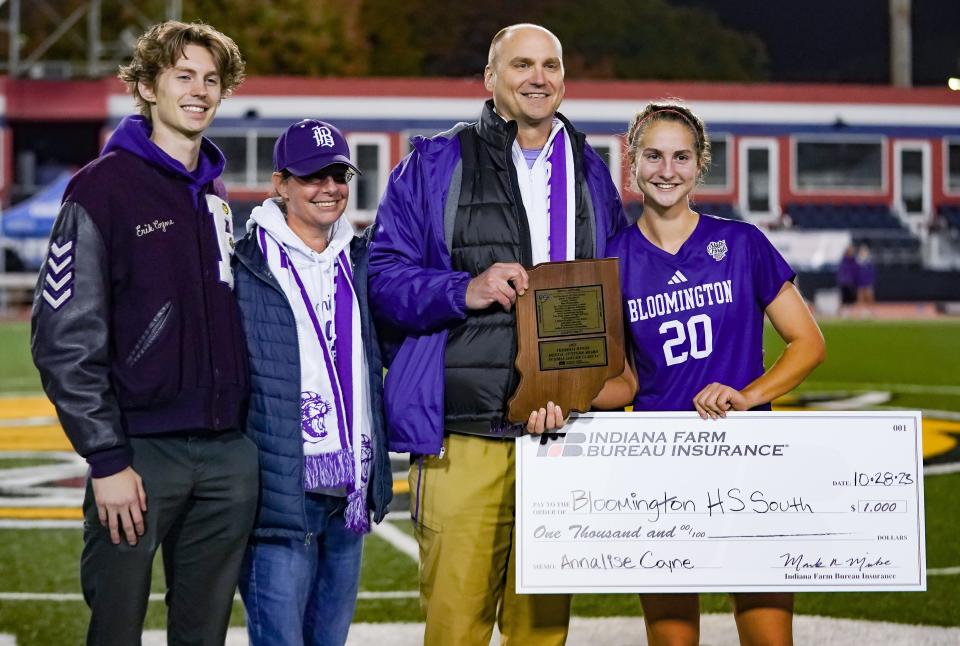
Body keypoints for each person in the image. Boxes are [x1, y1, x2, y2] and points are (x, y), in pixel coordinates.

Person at [368, 23, 632, 646]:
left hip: (563, 434)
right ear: (490, 79)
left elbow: (616, 293)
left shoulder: (591, 171)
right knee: (456, 628)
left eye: (550, 66)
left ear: (564, 80)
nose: (537, 77)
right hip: (467, 433)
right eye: (521, 65)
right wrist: (464, 289)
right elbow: (381, 277)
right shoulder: (435, 163)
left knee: (541, 633)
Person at [30, 21, 258, 646]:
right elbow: (63, 337)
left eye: (212, 79)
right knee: (116, 630)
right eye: (183, 75)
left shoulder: (214, 192)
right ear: (148, 86)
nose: (200, 90)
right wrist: (106, 456)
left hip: (226, 454)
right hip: (138, 455)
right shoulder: (101, 188)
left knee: (203, 633)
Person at [608, 101, 826, 646]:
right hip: (660, 466)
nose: (667, 170)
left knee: (769, 637)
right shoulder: (610, 261)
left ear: (699, 164)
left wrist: (748, 397)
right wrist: (561, 398)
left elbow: (808, 344)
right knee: (673, 641)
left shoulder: (744, 243)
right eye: (653, 156)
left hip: (747, 464)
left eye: (681, 157)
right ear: (631, 162)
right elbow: (625, 379)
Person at [232, 119, 393, 646]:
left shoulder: (361, 260)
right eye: (310, 177)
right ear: (280, 184)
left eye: (337, 175)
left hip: (349, 486)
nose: (328, 188)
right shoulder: (244, 262)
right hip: (281, 493)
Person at [837, 244, 858, 315]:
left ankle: (849, 313)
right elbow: (842, 272)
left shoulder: (854, 261)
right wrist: (845, 280)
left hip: (851, 283)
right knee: (843, 300)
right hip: (845, 283)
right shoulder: (844, 260)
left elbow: (855, 272)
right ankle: (839, 313)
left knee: (851, 300)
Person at [855, 243, 876, 309]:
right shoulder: (857, 260)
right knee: (860, 296)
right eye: (862, 251)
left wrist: (871, 280)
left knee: (869, 295)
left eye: (865, 251)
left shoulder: (869, 260)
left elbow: (872, 271)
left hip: (867, 281)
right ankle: (861, 310)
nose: (863, 252)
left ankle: (871, 309)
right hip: (860, 281)